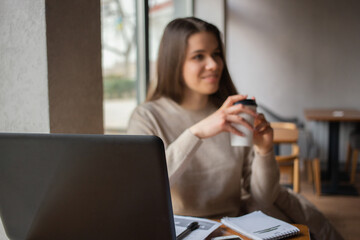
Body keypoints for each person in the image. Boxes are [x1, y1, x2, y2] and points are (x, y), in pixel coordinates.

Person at [127, 17, 343, 240]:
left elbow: (263, 198)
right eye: (198, 56)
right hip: (180, 231)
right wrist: (196, 133)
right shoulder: (147, 116)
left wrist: (265, 151)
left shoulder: (236, 113)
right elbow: (142, 188)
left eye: (216, 54)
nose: (213, 64)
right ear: (173, 62)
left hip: (233, 229)